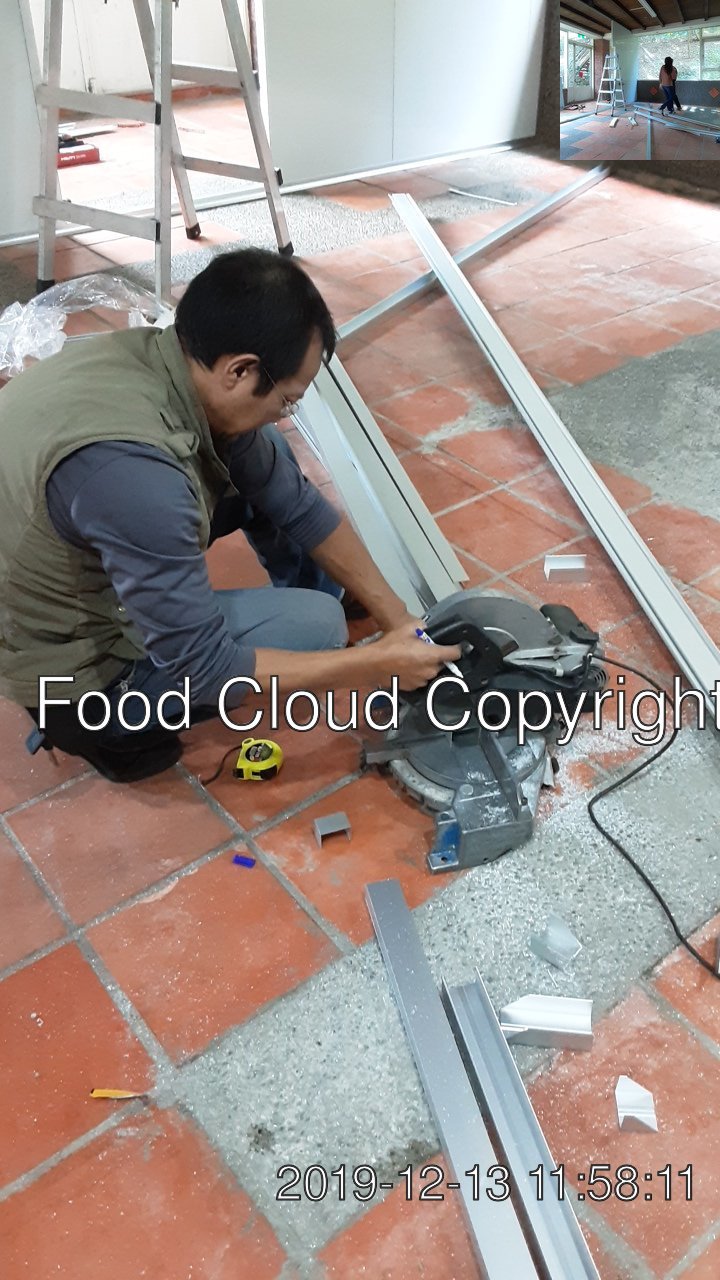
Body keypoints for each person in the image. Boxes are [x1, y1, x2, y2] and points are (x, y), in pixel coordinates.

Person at [0, 248, 461, 781]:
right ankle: (105, 728)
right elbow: (207, 670)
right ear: (240, 370)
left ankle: (325, 596)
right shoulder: (138, 476)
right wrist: (376, 663)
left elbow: (298, 505)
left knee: (263, 456)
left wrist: (397, 619)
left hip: (65, 552)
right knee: (317, 626)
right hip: (64, 668)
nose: (285, 413)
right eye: (287, 401)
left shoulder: (165, 362)